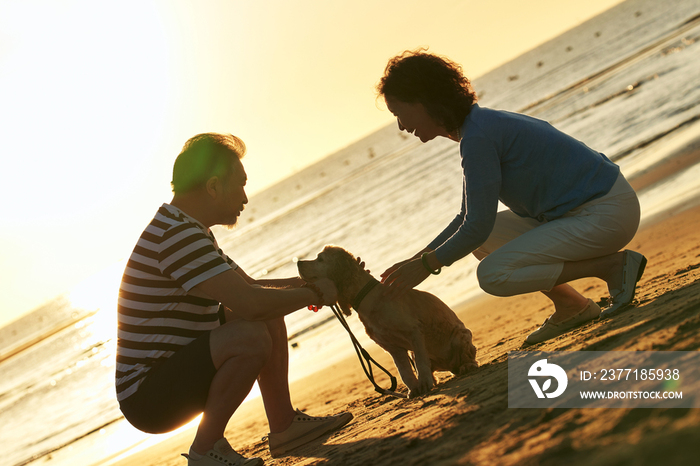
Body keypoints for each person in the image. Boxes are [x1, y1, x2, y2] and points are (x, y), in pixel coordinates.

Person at [377, 50, 647, 345]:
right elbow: (468, 219)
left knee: (492, 275)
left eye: (398, 113)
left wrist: (427, 266)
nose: (401, 126)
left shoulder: (478, 136)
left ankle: (612, 267)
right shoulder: (477, 129)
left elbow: (474, 225)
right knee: (484, 238)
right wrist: (417, 260)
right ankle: (573, 306)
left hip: (605, 214)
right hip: (591, 212)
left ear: (424, 99)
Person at [116, 133, 352, 466]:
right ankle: (204, 450)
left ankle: (284, 425)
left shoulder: (186, 227)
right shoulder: (177, 235)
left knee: (267, 313)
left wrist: (317, 283)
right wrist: (314, 293)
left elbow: (252, 288)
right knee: (252, 334)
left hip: (171, 374)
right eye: (239, 184)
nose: (245, 196)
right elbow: (251, 304)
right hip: (148, 397)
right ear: (213, 187)